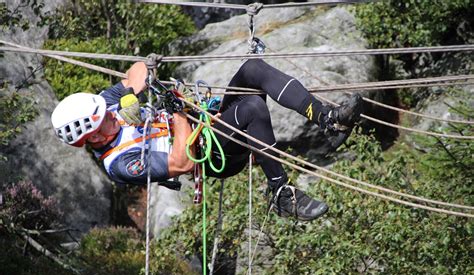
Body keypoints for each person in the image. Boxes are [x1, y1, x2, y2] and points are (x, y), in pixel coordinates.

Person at [51, 59, 363, 221]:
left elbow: (138, 69)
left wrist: (131, 95)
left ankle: (328, 120)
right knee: (253, 108)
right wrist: (177, 113)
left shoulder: (107, 104)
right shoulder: (120, 163)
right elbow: (180, 162)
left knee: (252, 70)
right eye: (103, 118)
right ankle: (281, 193)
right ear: (92, 135)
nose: (109, 114)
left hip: (206, 123)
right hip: (211, 156)